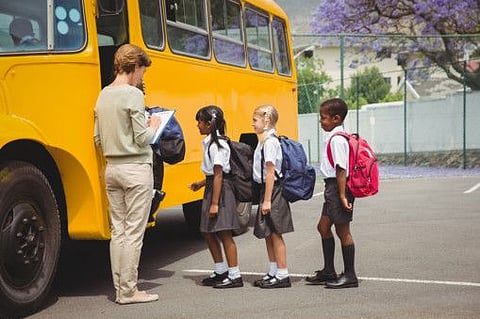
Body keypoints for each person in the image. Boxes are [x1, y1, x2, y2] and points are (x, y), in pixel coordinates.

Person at [94, 44, 161, 304]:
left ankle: (120, 290)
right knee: (134, 233)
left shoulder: (103, 95)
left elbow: (98, 139)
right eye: (142, 71)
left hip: (112, 169)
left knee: (118, 233)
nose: (142, 77)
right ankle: (130, 291)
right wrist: (153, 125)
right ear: (134, 67)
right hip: (135, 170)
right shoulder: (133, 95)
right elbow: (143, 138)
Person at [305, 98, 358, 289]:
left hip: (338, 188)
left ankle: (350, 275)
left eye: (323, 118)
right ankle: (329, 270)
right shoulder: (334, 137)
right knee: (323, 227)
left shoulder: (337, 139)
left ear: (336, 119)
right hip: (332, 188)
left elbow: (341, 169)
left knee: (343, 231)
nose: (321, 122)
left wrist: (343, 196)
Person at [189, 105, 243, 289]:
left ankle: (235, 275)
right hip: (213, 187)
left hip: (221, 191)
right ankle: (220, 270)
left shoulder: (218, 145)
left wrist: (214, 203)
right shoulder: (210, 143)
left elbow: (220, 174)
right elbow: (213, 174)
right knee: (207, 231)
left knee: (224, 232)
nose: (198, 125)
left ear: (209, 124)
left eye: (200, 122)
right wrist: (201, 183)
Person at [252, 104, 293, 289]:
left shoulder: (269, 143)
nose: (253, 124)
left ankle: (283, 274)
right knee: (268, 233)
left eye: (255, 120)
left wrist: (267, 200)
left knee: (276, 233)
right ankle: (273, 270)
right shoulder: (265, 141)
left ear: (266, 121)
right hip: (267, 190)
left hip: (273, 190)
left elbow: (270, 172)